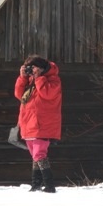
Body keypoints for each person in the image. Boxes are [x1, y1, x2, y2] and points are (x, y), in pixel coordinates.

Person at [14, 55, 62, 193]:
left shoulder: (53, 80)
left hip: (43, 125)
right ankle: (36, 184)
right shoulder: (30, 81)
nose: (31, 70)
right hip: (29, 124)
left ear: (41, 68)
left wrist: (39, 77)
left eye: (33, 67)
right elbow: (19, 95)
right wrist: (22, 77)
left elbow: (47, 94)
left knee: (39, 154)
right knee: (35, 155)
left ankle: (49, 185)